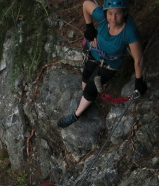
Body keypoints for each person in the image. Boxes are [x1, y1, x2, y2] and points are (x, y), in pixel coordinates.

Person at [57, 0, 147, 128]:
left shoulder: (129, 31)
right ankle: (86, 97)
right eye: (110, 14)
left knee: (91, 87)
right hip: (95, 52)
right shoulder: (103, 16)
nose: (113, 18)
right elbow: (86, 4)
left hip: (110, 63)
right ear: (106, 13)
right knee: (87, 73)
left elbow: (138, 59)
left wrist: (139, 80)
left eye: (118, 14)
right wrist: (89, 26)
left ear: (125, 13)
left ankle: (76, 115)